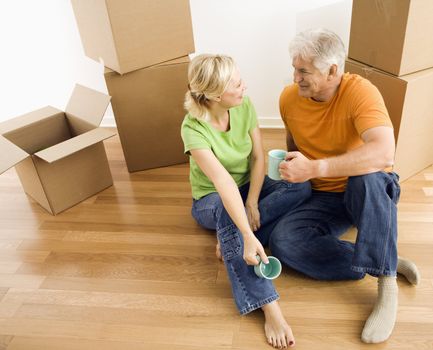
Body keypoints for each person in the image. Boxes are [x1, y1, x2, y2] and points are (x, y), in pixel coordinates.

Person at [269, 28, 420, 344]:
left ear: (332, 71)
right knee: (283, 242)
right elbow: (294, 143)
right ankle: (381, 256)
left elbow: (383, 152)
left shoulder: (360, 92)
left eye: (303, 71)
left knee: (368, 174)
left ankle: (387, 280)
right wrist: (295, 172)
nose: (295, 77)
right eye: (294, 68)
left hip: (366, 191)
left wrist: (317, 167)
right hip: (323, 195)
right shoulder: (288, 98)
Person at [181, 54, 311, 348]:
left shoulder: (243, 105)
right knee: (228, 211)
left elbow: (257, 157)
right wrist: (245, 230)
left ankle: (231, 243)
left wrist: (252, 201)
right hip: (210, 199)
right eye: (237, 84)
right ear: (214, 94)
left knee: (300, 186)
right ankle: (269, 305)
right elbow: (223, 183)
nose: (245, 87)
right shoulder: (192, 129)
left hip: (246, 188)